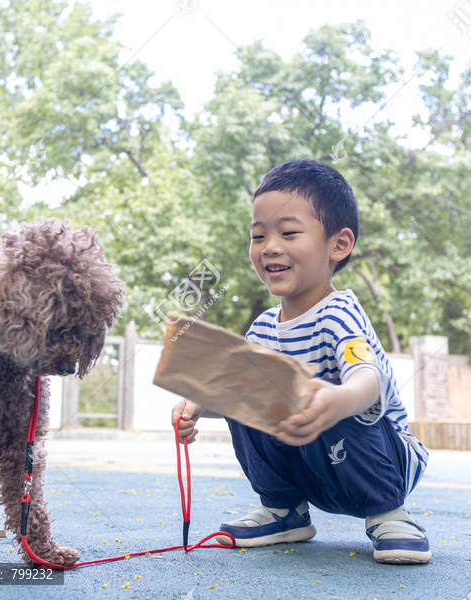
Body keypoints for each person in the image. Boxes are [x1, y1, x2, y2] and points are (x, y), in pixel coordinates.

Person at [170, 158, 431, 564]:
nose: (270, 246)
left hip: (381, 463)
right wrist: (201, 406)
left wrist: (339, 400)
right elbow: (240, 397)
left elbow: (369, 381)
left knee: (336, 396)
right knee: (246, 381)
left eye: (289, 233)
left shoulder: (339, 313)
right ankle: (284, 509)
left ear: (338, 245)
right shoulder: (262, 329)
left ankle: (389, 512)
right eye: (258, 236)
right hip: (315, 464)